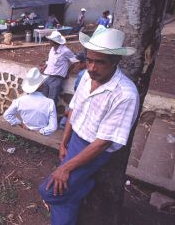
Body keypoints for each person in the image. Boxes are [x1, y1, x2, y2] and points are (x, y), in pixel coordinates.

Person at [39, 27, 139, 225]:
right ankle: (76, 193)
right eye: (89, 60)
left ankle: (84, 187)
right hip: (75, 138)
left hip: (93, 149)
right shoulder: (86, 76)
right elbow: (75, 108)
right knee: (62, 191)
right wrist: (64, 141)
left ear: (115, 61)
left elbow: (103, 142)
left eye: (100, 62)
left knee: (48, 191)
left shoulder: (125, 94)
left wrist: (66, 167)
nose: (92, 67)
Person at [3, 67, 57, 135]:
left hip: (25, 132)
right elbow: (53, 127)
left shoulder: (19, 101)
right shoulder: (50, 103)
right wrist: (41, 131)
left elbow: (7, 115)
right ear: (42, 85)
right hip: (43, 135)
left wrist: (20, 123)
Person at [40, 31, 79, 105]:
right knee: (44, 99)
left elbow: (75, 62)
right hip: (47, 76)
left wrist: (67, 72)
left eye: (50, 40)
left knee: (52, 101)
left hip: (56, 78)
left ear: (54, 41)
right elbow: (49, 60)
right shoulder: (52, 49)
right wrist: (44, 67)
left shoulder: (65, 51)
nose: (49, 42)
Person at [59, 52, 87, 129]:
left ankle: (63, 126)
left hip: (79, 98)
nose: (76, 65)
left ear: (83, 63)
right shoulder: (85, 72)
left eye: (78, 63)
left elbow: (76, 87)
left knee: (70, 112)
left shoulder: (83, 74)